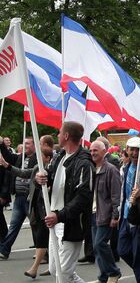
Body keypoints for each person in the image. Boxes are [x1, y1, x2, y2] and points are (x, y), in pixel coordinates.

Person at [35, 121, 94, 283]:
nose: (58, 135)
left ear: (66, 136)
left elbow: (83, 198)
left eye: (60, 133)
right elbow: (50, 178)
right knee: (56, 271)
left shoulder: (84, 163)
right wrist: (40, 178)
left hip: (71, 224)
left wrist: (59, 216)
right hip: (55, 221)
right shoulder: (60, 157)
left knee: (63, 276)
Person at [0, 145, 53, 278]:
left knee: (46, 238)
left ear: (47, 158)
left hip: (47, 209)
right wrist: (7, 165)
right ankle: (50, 266)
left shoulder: (51, 170)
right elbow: (24, 173)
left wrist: (46, 186)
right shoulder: (37, 168)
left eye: (41, 157)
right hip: (35, 206)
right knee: (43, 236)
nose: (38, 159)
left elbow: (51, 187)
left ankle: (39, 267)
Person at [118, 137, 140, 283]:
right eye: (131, 149)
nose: (134, 153)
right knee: (123, 250)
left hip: (139, 218)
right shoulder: (125, 167)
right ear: (126, 150)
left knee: (138, 254)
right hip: (126, 215)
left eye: (137, 149)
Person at [89, 140, 123, 283]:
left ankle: (113, 272)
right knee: (96, 248)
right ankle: (104, 276)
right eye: (91, 150)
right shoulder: (91, 169)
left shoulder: (111, 170)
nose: (92, 153)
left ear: (104, 152)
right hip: (93, 213)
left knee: (99, 244)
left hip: (105, 214)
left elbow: (116, 195)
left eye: (95, 150)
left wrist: (115, 215)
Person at [0, 136, 37, 259]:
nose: (25, 146)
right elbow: (8, 157)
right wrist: (1, 145)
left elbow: (27, 173)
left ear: (34, 145)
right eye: (24, 143)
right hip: (19, 197)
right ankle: (4, 250)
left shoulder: (38, 159)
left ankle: (42, 251)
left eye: (28, 143)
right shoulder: (20, 157)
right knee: (14, 225)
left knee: (35, 225)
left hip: (30, 198)